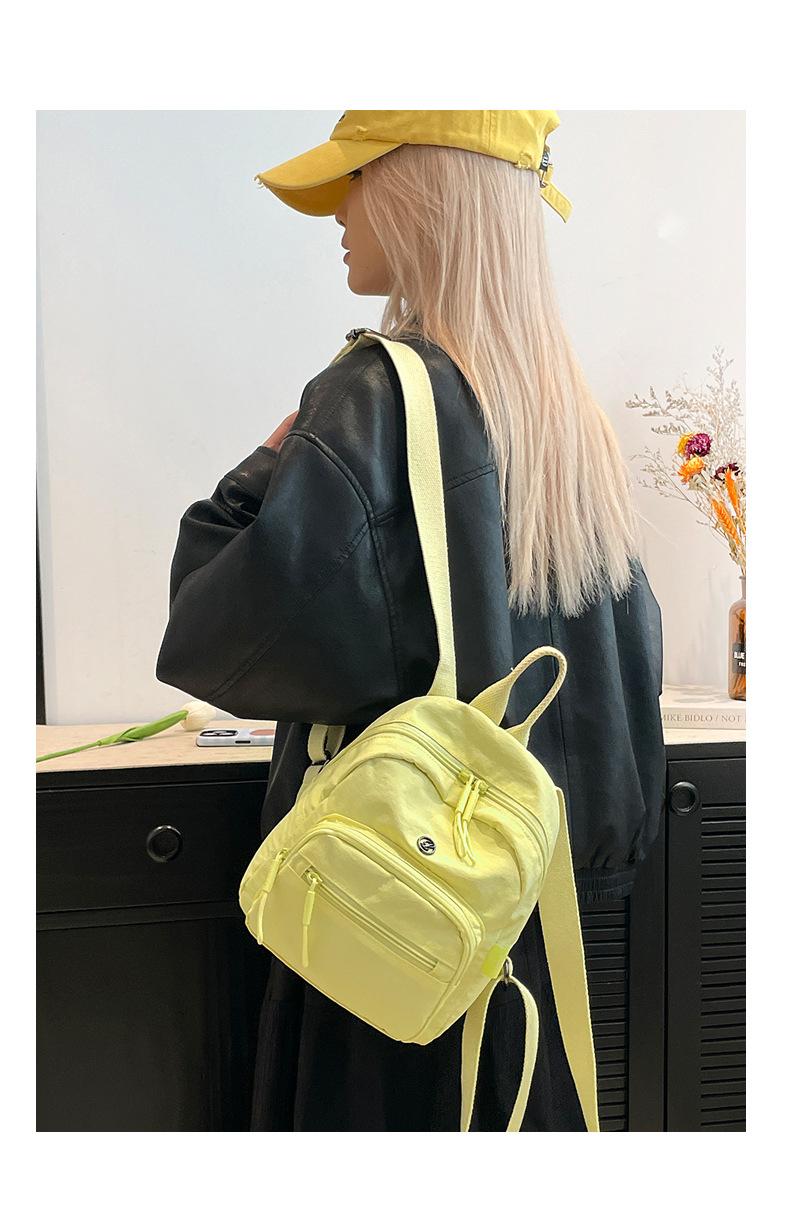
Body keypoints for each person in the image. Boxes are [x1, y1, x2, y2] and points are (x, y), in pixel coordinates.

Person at [155, 111, 666, 1131]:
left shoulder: (373, 393)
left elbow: (213, 632)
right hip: (521, 933)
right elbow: (619, 718)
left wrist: (266, 464)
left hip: (385, 923)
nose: (341, 213)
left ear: (419, 189)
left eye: (356, 179)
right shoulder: (569, 420)